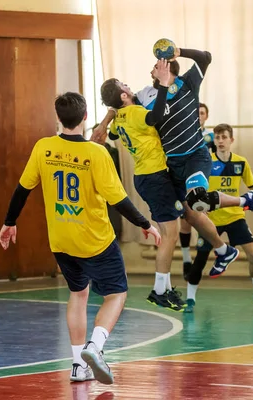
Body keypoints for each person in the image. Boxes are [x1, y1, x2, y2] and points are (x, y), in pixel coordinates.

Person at [0, 92, 161, 385]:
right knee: (116, 294)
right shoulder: (96, 154)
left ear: (57, 118)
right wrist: (145, 224)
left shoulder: (43, 147)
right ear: (86, 118)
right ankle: (94, 347)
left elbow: (22, 189)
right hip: (95, 239)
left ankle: (77, 366)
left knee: (78, 294)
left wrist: (10, 222)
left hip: (61, 239)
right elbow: (119, 199)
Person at [95, 45, 253, 278]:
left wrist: (179, 50)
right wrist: (108, 118)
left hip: (196, 155)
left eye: (157, 66)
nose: (152, 70)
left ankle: (247, 201)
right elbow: (121, 107)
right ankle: (224, 249)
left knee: (197, 199)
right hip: (172, 164)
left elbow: (206, 57)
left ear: (167, 68)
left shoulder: (187, 83)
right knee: (193, 211)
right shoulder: (145, 94)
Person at [97, 79, 186, 311]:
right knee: (171, 234)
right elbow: (154, 117)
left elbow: (114, 136)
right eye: (124, 85)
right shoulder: (135, 111)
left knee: (168, 234)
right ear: (124, 96)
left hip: (144, 177)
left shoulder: (119, 118)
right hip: (154, 176)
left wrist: (110, 116)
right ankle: (158, 291)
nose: (128, 85)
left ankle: (164, 288)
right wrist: (164, 87)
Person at [184, 123, 253, 312]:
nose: (221, 141)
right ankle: (190, 299)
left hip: (235, 217)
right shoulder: (206, 162)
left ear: (231, 140)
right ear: (213, 140)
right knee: (200, 259)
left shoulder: (241, 163)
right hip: (211, 219)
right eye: (217, 137)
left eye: (224, 137)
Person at [179, 102, 215, 279]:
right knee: (185, 221)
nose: (199, 116)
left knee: (202, 221)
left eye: (202, 113)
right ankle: (186, 260)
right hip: (185, 181)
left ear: (206, 116)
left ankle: (199, 266)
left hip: (203, 183)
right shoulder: (184, 134)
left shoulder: (211, 136)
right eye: (197, 113)